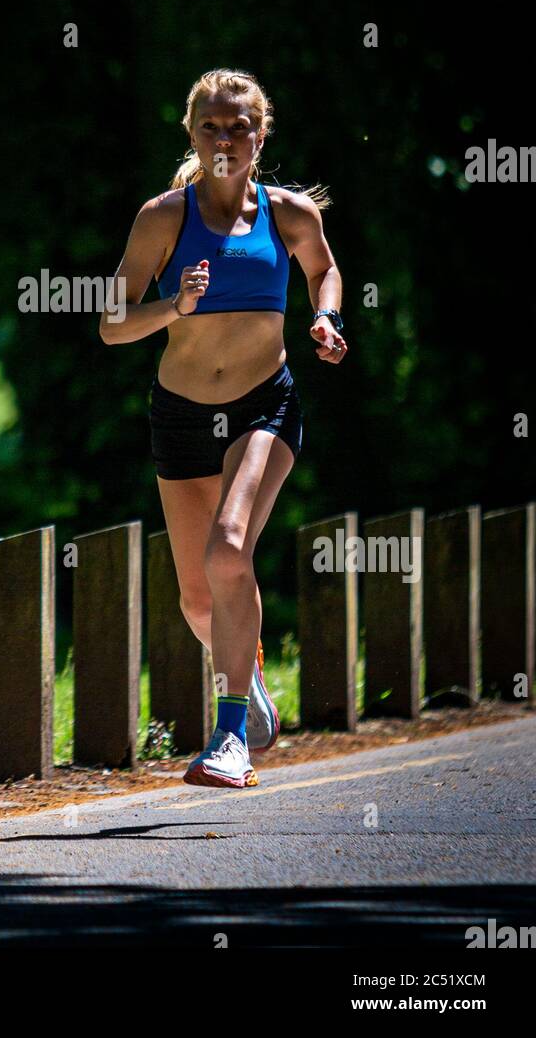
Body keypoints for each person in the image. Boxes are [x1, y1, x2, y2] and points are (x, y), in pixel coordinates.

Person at [99, 68, 347, 788]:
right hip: (178, 414)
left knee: (230, 548)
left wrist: (326, 317)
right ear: (192, 134)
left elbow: (323, 270)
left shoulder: (290, 213)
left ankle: (230, 734)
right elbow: (112, 324)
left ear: (260, 134)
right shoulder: (162, 219)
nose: (224, 138)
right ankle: (251, 670)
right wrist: (174, 307)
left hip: (263, 405)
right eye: (210, 126)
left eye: (238, 126)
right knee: (198, 597)